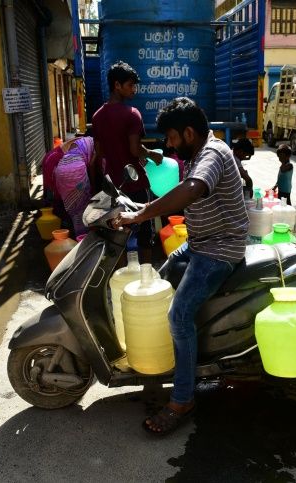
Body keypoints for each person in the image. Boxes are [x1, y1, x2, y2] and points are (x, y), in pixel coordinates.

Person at [113, 97, 248, 435]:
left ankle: (183, 398)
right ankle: (161, 355)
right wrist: (140, 203)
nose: (169, 145)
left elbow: (192, 189)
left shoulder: (213, 154)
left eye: (172, 138)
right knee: (160, 281)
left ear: (189, 132)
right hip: (200, 242)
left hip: (218, 250)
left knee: (178, 314)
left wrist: (142, 214)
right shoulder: (200, 150)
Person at [91, 61, 163, 261]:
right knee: (145, 232)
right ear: (117, 85)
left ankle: (121, 272)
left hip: (113, 185)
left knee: (117, 231)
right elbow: (134, 149)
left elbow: (99, 153)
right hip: (136, 183)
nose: (134, 89)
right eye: (130, 85)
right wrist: (153, 155)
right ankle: (146, 274)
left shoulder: (97, 116)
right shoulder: (132, 114)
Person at [54, 136, 96, 237]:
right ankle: (83, 236)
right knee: (83, 206)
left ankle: (76, 232)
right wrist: (93, 185)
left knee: (74, 208)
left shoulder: (79, 143)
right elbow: (92, 164)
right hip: (76, 170)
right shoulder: (95, 144)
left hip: (60, 168)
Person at [41, 133, 80, 225]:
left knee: (54, 192)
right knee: (59, 194)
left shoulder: (82, 140)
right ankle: (61, 220)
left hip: (51, 160)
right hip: (55, 163)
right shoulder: (87, 143)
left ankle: (54, 214)